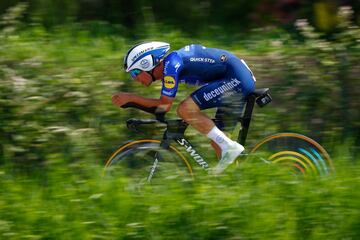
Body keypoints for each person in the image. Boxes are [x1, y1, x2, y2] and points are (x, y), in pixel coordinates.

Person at [112, 41, 256, 174]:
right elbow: (161, 108)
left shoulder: (171, 65)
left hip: (236, 79)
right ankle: (238, 179)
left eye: (134, 72)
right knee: (218, 143)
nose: (134, 78)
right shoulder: (170, 65)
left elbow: (164, 105)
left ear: (146, 63)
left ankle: (230, 148)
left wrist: (131, 98)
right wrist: (133, 103)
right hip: (236, 78)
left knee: (185, 109)